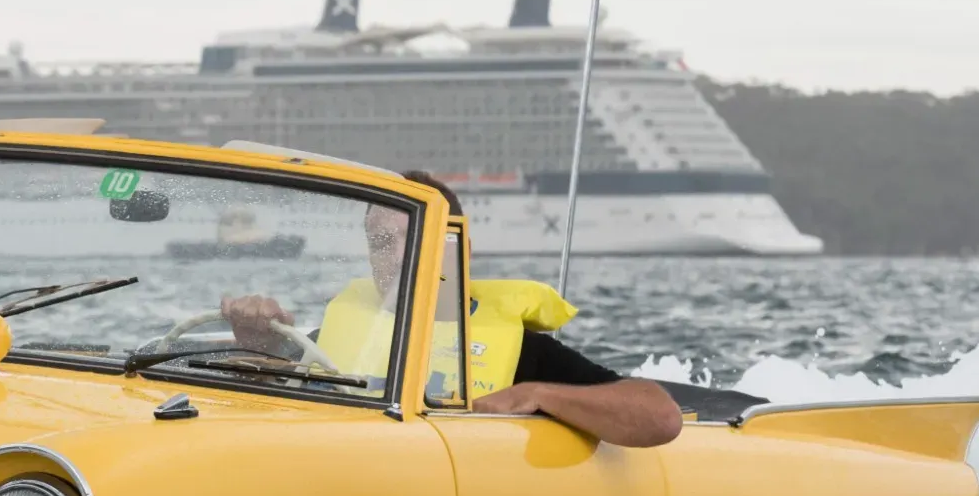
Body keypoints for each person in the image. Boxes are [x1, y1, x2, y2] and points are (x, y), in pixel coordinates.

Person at [220, 170, 682, 448]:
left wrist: (537, 395)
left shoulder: (526, 354)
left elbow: (659, 416)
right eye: (382, 243)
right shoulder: (340, 336)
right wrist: (264, 349)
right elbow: (273, 409)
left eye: (416, 239)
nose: (399, 257)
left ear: (457, 250)